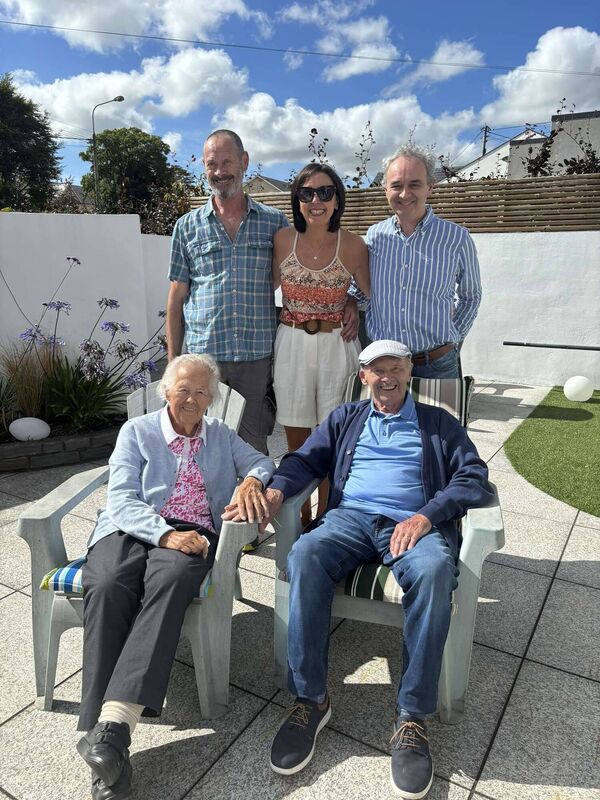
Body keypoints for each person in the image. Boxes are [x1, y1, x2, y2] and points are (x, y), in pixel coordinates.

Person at [253, 340, 493, 798]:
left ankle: (411, 718)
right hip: (349, 519)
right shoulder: (346, 418)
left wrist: (427, 516)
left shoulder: (437, 423)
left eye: (396, 369)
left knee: (435, 573)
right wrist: (279, 489)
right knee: (303, 556)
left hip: (412, 524)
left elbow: (474, 476)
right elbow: (305, 460)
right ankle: (311, 701)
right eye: (377, 370)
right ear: (363, 377)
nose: (388, 378)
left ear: (408, 375)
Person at [76, 353, 273, 800]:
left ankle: (110, 733)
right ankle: (101, 734)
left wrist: (252, 481)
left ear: (212, 398)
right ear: (166, 391)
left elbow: (263, 461)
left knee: (170, 582)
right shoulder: (138, 431)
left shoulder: (220, 435)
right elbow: (122, 500)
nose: (192, 398)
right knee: (106, 584)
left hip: (194, 535)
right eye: (183, 389)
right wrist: (164, 534)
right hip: (132, 528)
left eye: (202, 391)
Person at [166, 129, 289, 455]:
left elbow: (284, 279)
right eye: (211, 164)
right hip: (203, 356)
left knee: (252, 445)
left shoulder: (275, 222)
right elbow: (177, 297)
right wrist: (172, 362)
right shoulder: (186, 226)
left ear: (244, 161)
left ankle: (252, 505)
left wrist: (347, 300)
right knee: (197, 444)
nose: (219, 172)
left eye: (226, 162)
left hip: (254, 356)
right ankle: (201, 506)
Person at [272, 163, 370, 523]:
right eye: (307, 193)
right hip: (292, 343)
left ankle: (327, 520)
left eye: (326, 192)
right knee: (297, 441)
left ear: (337, 200)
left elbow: (371, 292)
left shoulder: (355, 245)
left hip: (336, 346)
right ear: (297, 199)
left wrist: (352, 302)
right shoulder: (282, 240)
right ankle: (300, 520)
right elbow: (263, 288)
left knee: (335, 440)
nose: (317, 200)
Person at [366, 144, 482, 378]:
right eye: (396, 185)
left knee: (440, 417)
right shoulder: (374, 236)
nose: (404, 194)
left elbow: (471, 296)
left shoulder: (456, 237)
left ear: (430, 186)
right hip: (383, 364)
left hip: (437, 364)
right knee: (386, 417)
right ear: (385, 189)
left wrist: (453, 337)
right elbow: (360, 289)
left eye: (415, 184)